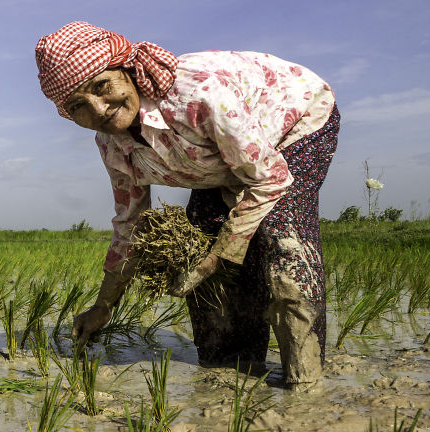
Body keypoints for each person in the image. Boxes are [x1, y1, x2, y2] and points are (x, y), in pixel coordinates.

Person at [34, 21, 339, 390]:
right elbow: (130, 222)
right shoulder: (112, 145)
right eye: (78, 105)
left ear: (127, 71)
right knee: (201, 248)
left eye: (103, 86)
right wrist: (104, 306)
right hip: (224, 161)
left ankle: (303, 382)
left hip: (294, 121)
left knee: (280, 240)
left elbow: (269, 177)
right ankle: (227, 368)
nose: (98, 109)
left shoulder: (198, 96)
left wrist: (222, 252)